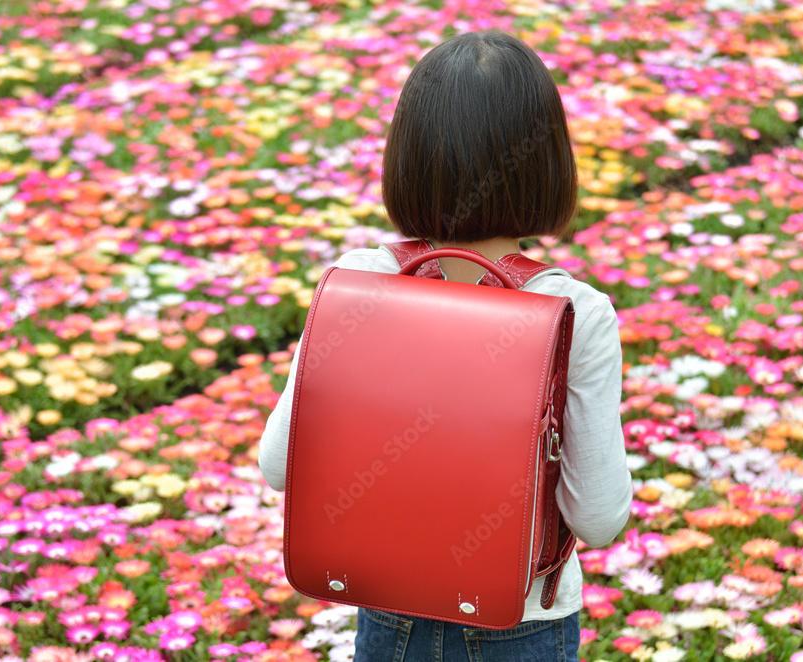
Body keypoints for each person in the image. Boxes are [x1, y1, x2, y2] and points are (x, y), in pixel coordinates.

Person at [258, 29, 633, 662]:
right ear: (548, 164)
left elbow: (278, 463)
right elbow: (597, 517)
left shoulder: (360, 283)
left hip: (386, 612)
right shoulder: (575, 313)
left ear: (406, 156)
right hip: (521, 623)